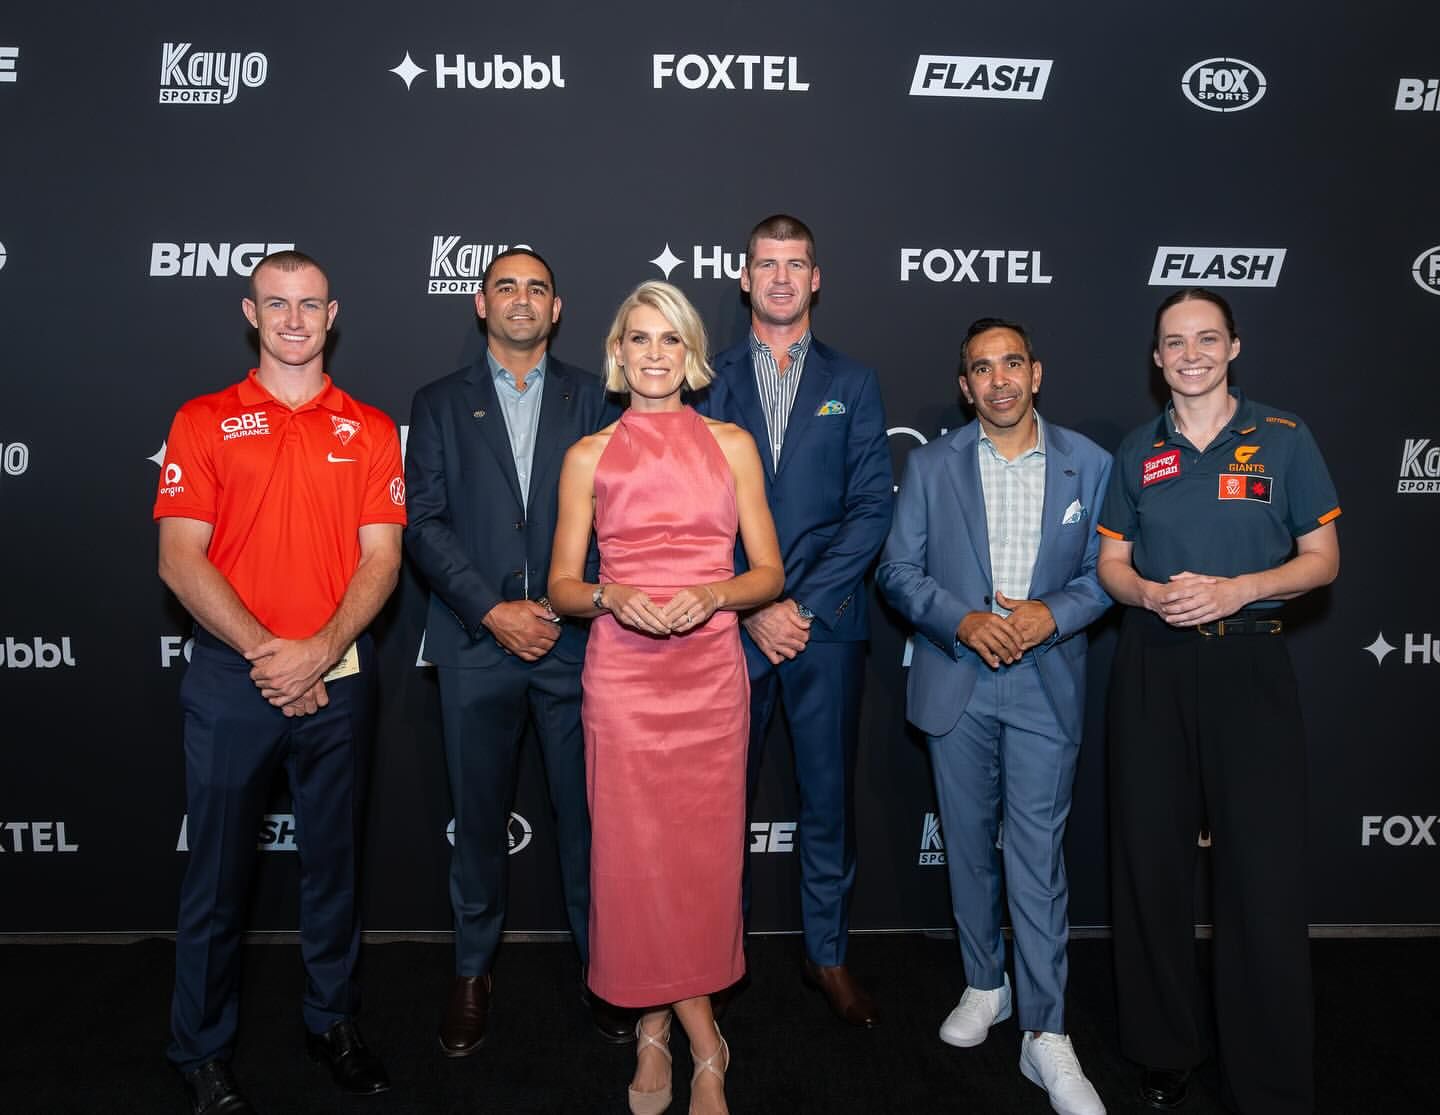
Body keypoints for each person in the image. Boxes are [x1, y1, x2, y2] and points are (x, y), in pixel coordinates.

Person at [155, 250, 404, 1114]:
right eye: (276, 304)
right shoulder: (202, 419)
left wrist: (319, 649)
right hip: (235, 676)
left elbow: (383, 560)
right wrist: (273, 653)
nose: (293, 319)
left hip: (338, 675)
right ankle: (200, 1050)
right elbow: (179, 557)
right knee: (217, 875)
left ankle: (332, 1020)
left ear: (332, 315)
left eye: (308, 304)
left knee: (334, 866)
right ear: (250, 313)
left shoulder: (370, 427)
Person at [1097, 289, 1341, 1114]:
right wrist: (1147, 594)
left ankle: (1267, 1073)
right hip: (1152, 664)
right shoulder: (1137, 449)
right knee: (1150, 864)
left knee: (1262, 876)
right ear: (1156, 357)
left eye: (1207, 338)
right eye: (1175, 342)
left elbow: (1322, 559)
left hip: (1249, 665)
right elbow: (1112, 565)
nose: (1191, 354)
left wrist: (1240, 588)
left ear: (1234, 347)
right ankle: (1163, 1047)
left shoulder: (1285, 436)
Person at [548, 280, 783, 1115]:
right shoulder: (588, 454)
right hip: (623, 678)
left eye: (670, 339)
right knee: (632, 858)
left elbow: (768, 572)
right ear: (617, 353)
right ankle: (693, 1036)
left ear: (691, 353)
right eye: (639, 339)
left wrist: (716, 594)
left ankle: (667, 1029)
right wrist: (610, 595)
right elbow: (563, 586)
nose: (655, 354)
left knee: (701, 862)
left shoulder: (732, 444)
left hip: (710, 677)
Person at [877, 318, 1111, 1115]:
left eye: (1013, 363)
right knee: (969, 845)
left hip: (1046, 680)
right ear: (965, 385)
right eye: (983, 368)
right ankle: (986, 982)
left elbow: (1107, 573)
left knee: (1036, 858)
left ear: (1036, 373)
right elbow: (897, 571)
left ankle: (1046, 1031)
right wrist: (964, 620)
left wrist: (1051, 613)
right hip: (959, 677)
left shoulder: (1091, 464)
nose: (1000, 379)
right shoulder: (931, 464)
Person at [404, 247, 629, 1053]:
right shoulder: (438, 402)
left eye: (537, 288)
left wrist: (568, 604)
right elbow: (423, 522)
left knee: (588, 821)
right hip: (476, 642)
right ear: (481, 302)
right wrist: (494, 610)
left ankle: (606, 968)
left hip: (578, 645)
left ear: (557, 308)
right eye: (506, 286)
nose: (522, 300)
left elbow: (621, 517)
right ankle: (472, 970)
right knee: (475, 819)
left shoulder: (597, 397)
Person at [701, 214, 893, 1026]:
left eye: (796, 264)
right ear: (744, 277)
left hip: (827, 627)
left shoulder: (854, 382)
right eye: (766, 263)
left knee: (827, 800)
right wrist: (750, 608)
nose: (780, 277)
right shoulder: (704, 376)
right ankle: (716, 956)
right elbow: (692, 512)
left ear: (816, 279)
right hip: (727, 630)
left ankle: (828, 953)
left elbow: (870, 508)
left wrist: (798, 605)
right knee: (720, 805)